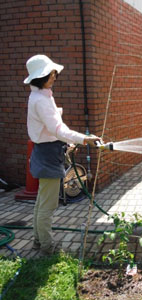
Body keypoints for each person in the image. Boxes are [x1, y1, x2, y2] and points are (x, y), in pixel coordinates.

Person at [24, 55, 101, 255]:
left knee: (42, 202)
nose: (55, 76)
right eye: (52, 73)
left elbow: (56, 128)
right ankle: (47, 247)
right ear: (42, 76)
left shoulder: (42, 96)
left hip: (47, 151)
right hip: (47, 155)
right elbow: (56, 128)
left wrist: (69, 141)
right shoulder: (41, 100)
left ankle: (38, 241)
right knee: (47, 206)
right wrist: (83, 139)